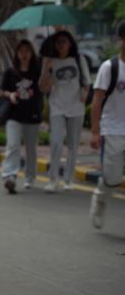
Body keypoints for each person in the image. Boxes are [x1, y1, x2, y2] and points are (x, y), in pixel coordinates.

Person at [39, 30, 91, 192]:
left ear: (70, 44)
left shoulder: (78, 59)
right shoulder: (49, 61)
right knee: (55, 142)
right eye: (58, 41)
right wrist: (47, 71)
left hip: (76, 107)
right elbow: (43, 88)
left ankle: (69, 178)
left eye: (64, 41)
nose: (61, 44)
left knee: (73, 145)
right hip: (57, 107)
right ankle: (53, 179)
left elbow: (87, 82)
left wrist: (85, 94)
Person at [88, 24, 125, 229]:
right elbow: (97, 100)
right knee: (112, 179)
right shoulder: (110, 67)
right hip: (113, 130)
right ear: (121, 40)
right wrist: (95, 131)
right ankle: (100, 199)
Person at [0, 40, 43, 194]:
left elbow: (45, 87)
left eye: (27, 51)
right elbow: (2, 90)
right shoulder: (10, 72)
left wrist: (47, 69)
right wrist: (10, 94)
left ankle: (30, 177)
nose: (24, 54)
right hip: (14, 114)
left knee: (31, 149)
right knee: (13, 145)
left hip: (32, 114)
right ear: (17, 54)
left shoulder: (38, 71)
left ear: (32, 53)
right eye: (21, 51)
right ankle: (9, 176)